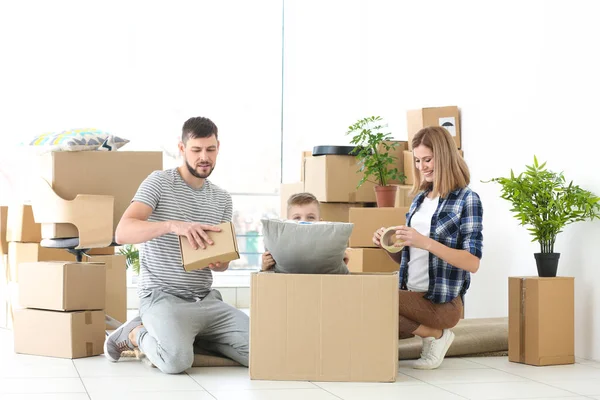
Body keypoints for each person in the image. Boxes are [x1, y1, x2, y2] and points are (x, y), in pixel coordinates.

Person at [103, 116, 249, 374]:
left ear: (218, 148)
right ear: (182, 149)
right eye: (196, 150)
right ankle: (136, 332)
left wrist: (220, 262)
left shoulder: (222, 199)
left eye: (210, 149)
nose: (204, 157)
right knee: (176, 362)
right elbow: (123, 231)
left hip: (206, 300)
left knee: (264, 351)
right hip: (162, 298)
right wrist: (172, 225)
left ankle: (187, 337)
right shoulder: (159, 182)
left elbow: (223, 265)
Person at [372, 126, 483, 370]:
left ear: (443, 157)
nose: (423, 166)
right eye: (418, 160)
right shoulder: (420, 200)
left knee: (374, 298)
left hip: (441, 303)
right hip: (411, 293)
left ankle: (438, 334)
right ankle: (433, 335)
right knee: (367, 300)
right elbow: (409, 261)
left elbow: (472, 262)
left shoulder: (467, 199)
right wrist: (388, 244)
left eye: (428, 159)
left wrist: (425, 242)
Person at [262, 192, 349, 270]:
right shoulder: (279, 243)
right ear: (287, 222)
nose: (303, 222)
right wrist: (265, 266)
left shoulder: (330, 244)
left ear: (321, 222)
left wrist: (340, 262)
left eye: (311, 217)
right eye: (297, 218)